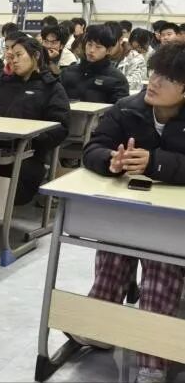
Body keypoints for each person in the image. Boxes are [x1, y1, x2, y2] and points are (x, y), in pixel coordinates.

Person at [79, 42, 185, 383]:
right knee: (114, 242)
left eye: (167, 78)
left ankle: (152, 358)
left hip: (176, 221)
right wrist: (109, 161)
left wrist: (156, 163)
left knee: (161, 259)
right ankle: (100, 326)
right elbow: (92, 148)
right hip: (132, 210)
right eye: (154, 73)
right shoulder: (127, 109)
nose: (154, 82)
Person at [0, 37, 70, 205]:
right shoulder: (3, 83)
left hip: (27, 155)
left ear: (35, 56)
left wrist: (30, 139)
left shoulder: (51, 87)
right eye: (12, 56)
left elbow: (60, 127)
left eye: (19, 55)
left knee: (3, 193)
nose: (14, 60)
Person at [60, 24, 129, 103]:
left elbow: (120, 108)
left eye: (98, 47)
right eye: (89, 44)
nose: (91, 50)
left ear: (108, 50)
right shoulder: (68, 72)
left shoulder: (117, 79)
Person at [110, 24, 147, 91]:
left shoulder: (137, 59)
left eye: (111, 44)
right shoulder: (100, 56)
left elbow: (132, 85)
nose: (107, 47)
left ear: (120, 40)